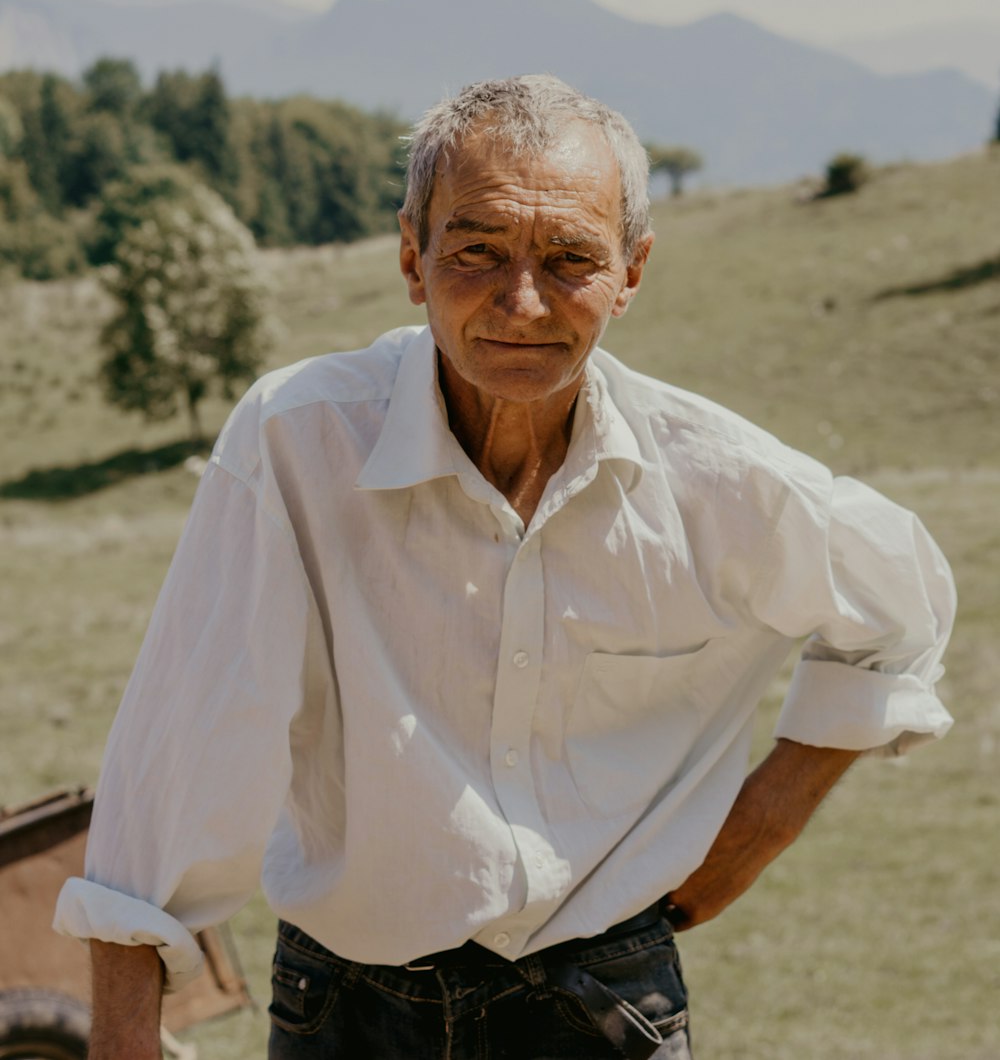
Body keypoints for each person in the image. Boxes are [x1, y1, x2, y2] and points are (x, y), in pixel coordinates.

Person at [56, 75, 956, 1060]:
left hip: (602, 1002)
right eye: (476, 251)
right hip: (348, 1011)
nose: (521, 302)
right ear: (411, 256)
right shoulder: (297, 442)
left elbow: (897, 608)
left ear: (632, 272)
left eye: (569, 258)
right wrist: (124, 1031)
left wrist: (756, 829)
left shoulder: (715, 478)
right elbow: (181, 748)